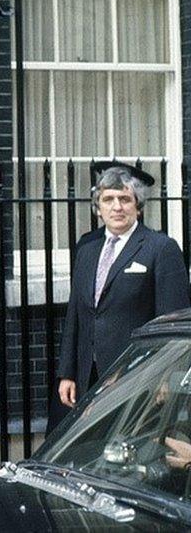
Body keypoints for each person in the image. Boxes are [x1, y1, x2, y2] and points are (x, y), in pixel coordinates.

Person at [56, 162, 190, 413]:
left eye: (125, 199)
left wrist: (165, 377)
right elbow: (75, 313)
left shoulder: (160, 248)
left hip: (137, 376)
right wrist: (67, 372)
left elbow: (173, 321)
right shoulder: (86, 248)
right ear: (98, 207)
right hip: (89, 375)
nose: (117, 207)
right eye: (108, 199)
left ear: (138, 207)